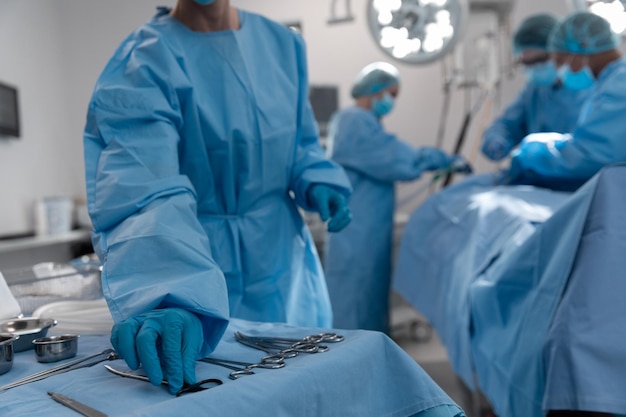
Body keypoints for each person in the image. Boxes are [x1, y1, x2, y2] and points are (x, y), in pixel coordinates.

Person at [83, 0, 352, 395]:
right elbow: (143, 189)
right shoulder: (142, 63)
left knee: (309, 388)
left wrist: (315, 175)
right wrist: (170, 291)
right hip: (197, 267)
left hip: (283, 265)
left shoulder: (282, 44)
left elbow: (300, 139)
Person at [323, 62, 467, 333]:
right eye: (391, 94)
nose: (392, 101)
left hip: (366, 232)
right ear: (375, 91)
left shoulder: (365, 123)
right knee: (354, 302)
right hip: (357, 233)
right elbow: (397, 159)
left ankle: (371, 356)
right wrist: (440, 159)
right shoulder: (354, 122)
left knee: (367, 298)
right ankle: (355, 363)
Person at [507, 11, 626, 191]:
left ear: (581, 49)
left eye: (559, 60)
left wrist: (533, 151)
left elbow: (593, 154)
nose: (559, 69)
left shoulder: (619, 86)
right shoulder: (609, 84)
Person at [481, 13, 591, 161]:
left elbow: (592, 149)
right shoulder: (535, 90)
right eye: (527, 63)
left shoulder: (591, 88)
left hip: (582, 179)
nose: (534, 68)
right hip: (540, 177)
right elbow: (508, 124)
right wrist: (496, 138)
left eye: (540, 60)